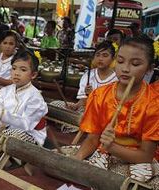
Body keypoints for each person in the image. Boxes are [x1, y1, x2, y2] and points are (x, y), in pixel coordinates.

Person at [73, 35, 159, 189]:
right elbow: (93, 139)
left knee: (139, 179)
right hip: (106, 153)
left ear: (150, 68)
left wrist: (112, 147)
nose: (125, 68)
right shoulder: (99, 95)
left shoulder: (154, 102)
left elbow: (146, 155)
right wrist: (75, 160)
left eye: (135, 64)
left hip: (138, 160)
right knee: (85, 171)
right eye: (120, 61)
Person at [0, 49, 48, 161]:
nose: (16, 73)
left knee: (10, 136)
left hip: (28, 133)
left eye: (23, 70)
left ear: (34, 74)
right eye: (14, 68)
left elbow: (26, 125)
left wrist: (0, 113)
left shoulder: (35, 97)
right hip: (3, 129)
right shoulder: (5, 91)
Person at [50, 41, 118, 133]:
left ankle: (75, 126)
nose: (100, 59)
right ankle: (74, 125)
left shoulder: (116, 80)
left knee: (82, 119)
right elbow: (82, 101)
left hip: (103, 114)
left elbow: (112, 106)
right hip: (85, 109)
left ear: (113, 58)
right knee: (54, 105)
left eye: (105, 55)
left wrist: (93, 96)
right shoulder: (88, 75)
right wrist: (75, 106)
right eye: (98, 55)